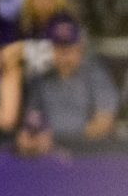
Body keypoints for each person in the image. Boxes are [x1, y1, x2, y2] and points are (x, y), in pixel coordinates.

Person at [23, 14, 118, 143]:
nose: (64, 53)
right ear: (49, 49)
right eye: (59, 47)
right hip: (47, 154)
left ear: (79, 47)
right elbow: (32, 120)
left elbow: (104, 122)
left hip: (88, 152)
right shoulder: (40, 77)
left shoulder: (95, 73)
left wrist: (66, 145)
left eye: (69, 47)